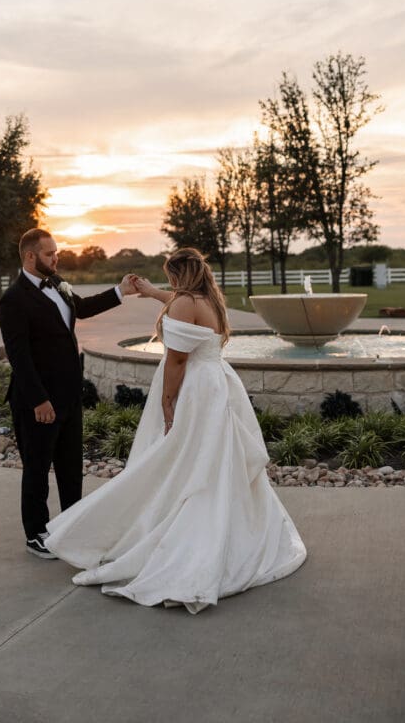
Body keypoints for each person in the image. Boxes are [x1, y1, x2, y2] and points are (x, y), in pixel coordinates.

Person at [44, 247, 307, 613]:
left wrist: (168, 403)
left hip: (196, 389)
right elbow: (181, 305)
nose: (168, 283)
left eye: (169, 276)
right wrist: (152, 293)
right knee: (211, 460)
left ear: (179, 275)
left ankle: (174, 537)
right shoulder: (207, 298)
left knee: (180, 457)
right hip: (217, 384)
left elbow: (178, 359)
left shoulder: (185, 303)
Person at [0, 228, 138, 558]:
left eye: (56, 252)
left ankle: (74, 525)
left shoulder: (59, 286)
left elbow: (84, 308)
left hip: (70, 394)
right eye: (49, 254)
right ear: (30, 257)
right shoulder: (13, 300)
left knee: (70, 466)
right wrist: (38, 400)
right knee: (37, 468)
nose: (56, 258)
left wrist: (121, 291)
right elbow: (19, 357)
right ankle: (36, 534)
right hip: (39, 401)